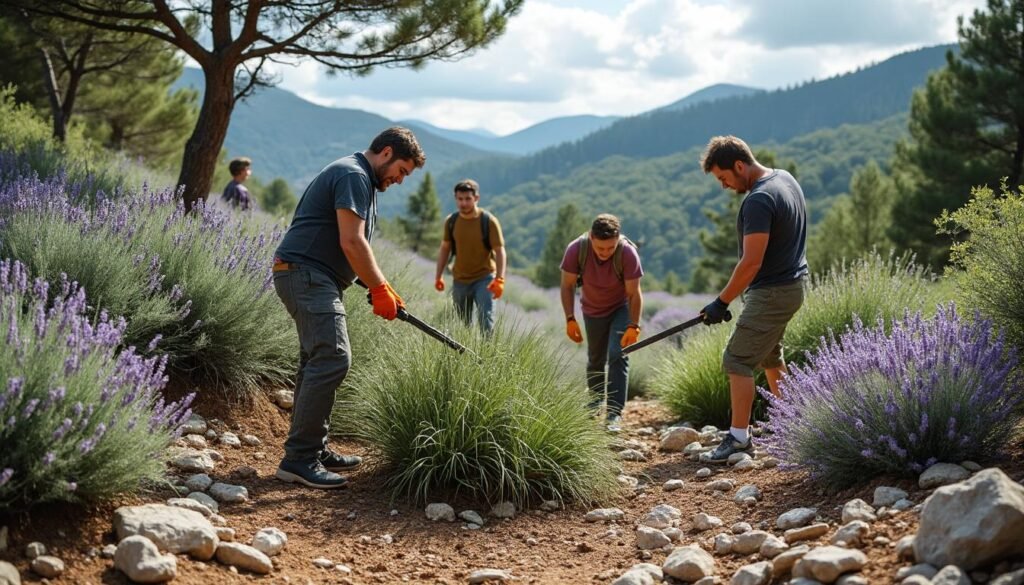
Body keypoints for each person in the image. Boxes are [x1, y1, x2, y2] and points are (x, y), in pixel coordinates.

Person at [271, 127, 425, 489]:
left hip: (309, 275)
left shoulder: (362, 180)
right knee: (333, 357)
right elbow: (352, 241)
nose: (400, 181)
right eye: (401, 171)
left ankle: (313, 449)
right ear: (386, 153)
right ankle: (299, 459)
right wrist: (379, 287)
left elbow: (341, 246)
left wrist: (379, 288)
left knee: (316, 359)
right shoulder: (354, 175)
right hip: (307, 276)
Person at [698, 135, 808, 463]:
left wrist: (722, 301)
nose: (725, 185)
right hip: (793, 285)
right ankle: (794, 422)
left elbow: (751, 262)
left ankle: (738, 438)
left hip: (772, 292)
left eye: (724, 178)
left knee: (737, 360)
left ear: (739, 165)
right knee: (770, 356)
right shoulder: (784, 178)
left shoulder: (758, 200)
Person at [559, 214, 644, 433]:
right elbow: (567, 285)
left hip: (620, 308)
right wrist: (570, 318)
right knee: (595, 358)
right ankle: (595, 402)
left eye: (611, 248)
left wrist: (633, 325)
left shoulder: (627, 253)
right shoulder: (576, 249)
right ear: (591, 237)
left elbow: (634, 294)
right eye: (601, 249)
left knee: (618, 354)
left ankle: (614, 414)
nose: (606, 253)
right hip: (592, 309)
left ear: (617, 240)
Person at [433, 179, 506, 335]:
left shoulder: (489, 221)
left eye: (467, 199)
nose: (463, 203)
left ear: (476, 198)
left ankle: (487, 357)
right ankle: (465, 357)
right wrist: (438, 276)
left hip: (484, 279)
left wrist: (499, 279)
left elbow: (500, 251)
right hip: (460, 280)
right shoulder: (451, 222)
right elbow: (445, 248)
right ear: (455, 198)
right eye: (460, 199)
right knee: (463, 326)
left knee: (485, 321)